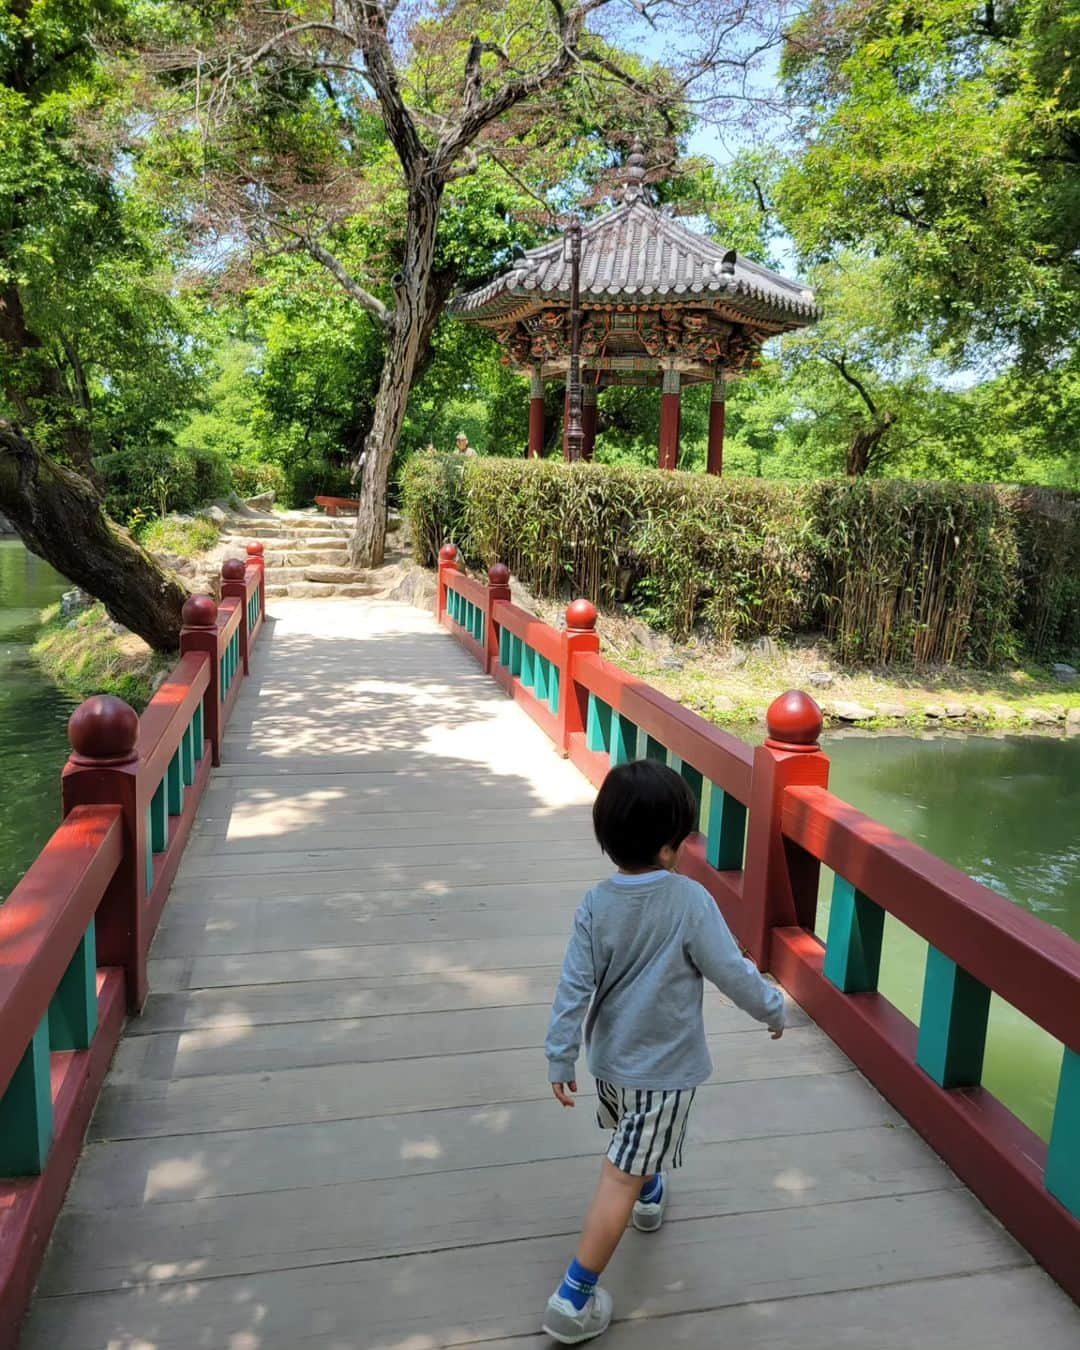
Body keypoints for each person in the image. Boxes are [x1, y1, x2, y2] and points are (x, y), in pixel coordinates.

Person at [542, 759, 786, 1344]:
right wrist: (772, 1007)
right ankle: (573, 1298)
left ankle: (649, 1191)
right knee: (618, 1175)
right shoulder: (690, 902)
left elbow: (574, 985)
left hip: (610, 1065)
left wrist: (560, 1054)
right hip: (664, 1072)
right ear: (672, 847)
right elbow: (729, 970)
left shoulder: (596, 904)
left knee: (630, 1139)